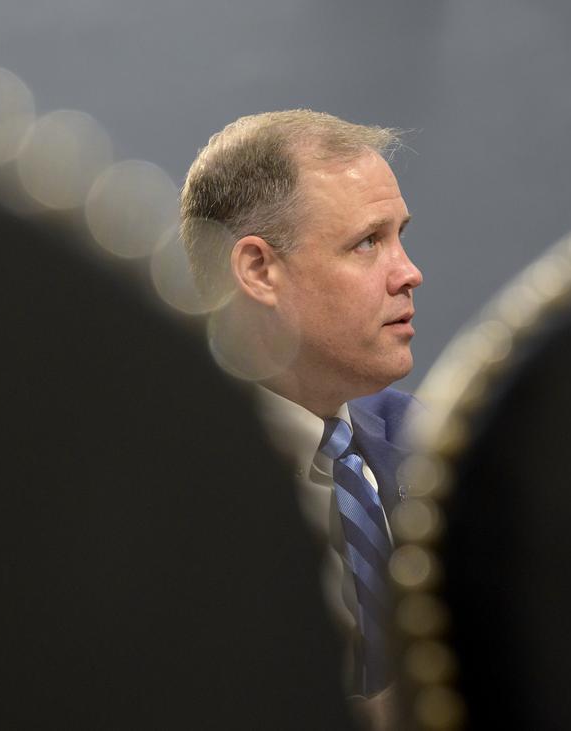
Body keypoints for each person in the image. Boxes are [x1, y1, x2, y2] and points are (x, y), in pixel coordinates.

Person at [180, 110, 423, 728]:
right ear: (258, 270)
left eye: (400, 236)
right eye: (368, 243)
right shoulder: (157, 491)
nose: (408, 273)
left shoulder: (432, 442)